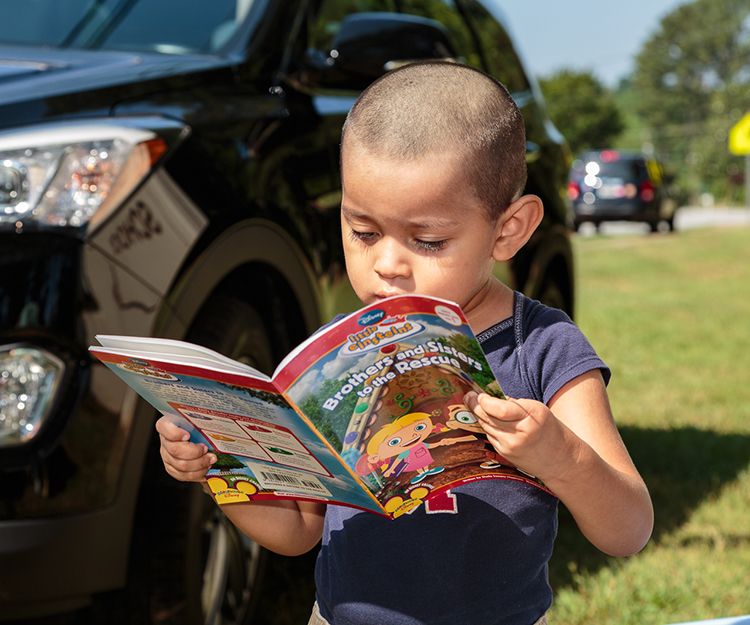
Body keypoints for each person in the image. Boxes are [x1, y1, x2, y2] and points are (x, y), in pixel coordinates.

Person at [157, 61, 654, 625]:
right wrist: (226, 471)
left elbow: (628, 529)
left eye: (429, 240)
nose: (387, 265)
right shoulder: (335, 359)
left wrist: (560, 457)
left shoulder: (541, 345)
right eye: (363, 232)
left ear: (508, 229)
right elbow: (297, 531)